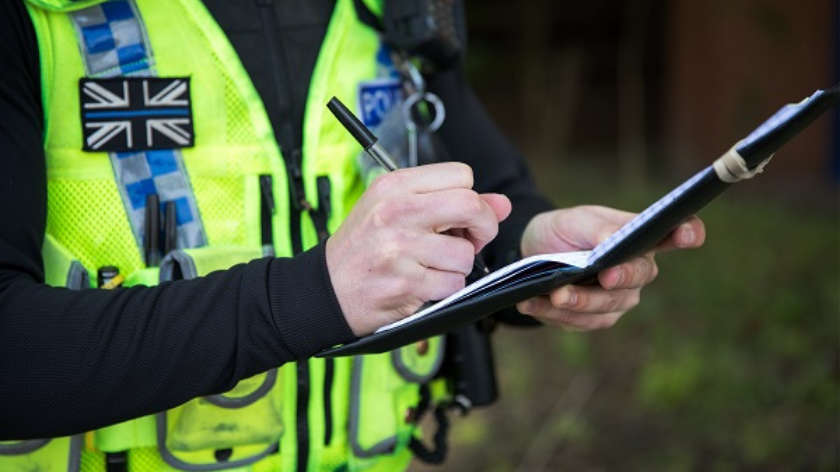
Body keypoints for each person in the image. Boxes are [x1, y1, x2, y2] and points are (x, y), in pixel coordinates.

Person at [0, 0, 705, 471]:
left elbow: (492, 204)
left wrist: (534, 249)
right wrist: (317, 293)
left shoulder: (397, 12)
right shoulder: (36, 17)